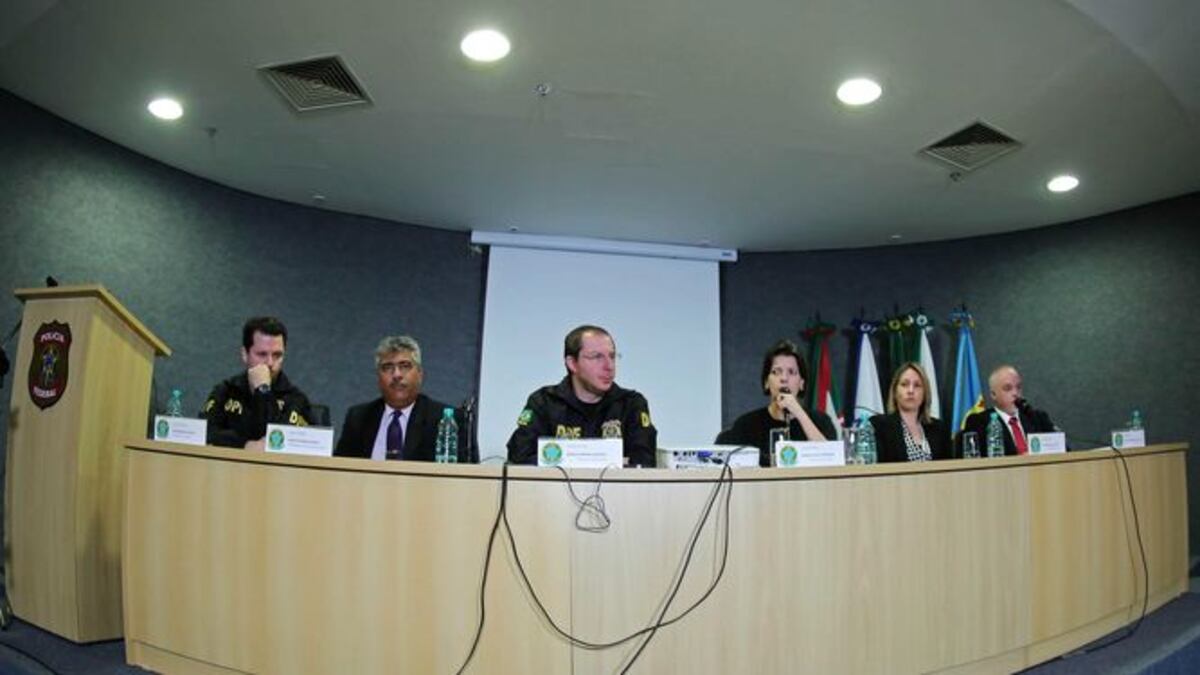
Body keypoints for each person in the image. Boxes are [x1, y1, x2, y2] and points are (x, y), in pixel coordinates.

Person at [507, 325, 657, 467]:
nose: (609, 366)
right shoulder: (544, 402)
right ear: (572, 363)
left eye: (612, 356)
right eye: (597, 357)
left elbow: (644, 462)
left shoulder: (631, 404)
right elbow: (520, 456)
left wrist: (560, 460)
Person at [334, 335, 463, 461]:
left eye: (405, 366)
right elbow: (339, 468)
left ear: (420, 374)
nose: (396, 375)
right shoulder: (359, 418)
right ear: (378, 377)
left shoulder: (443, 420)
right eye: (388, 367)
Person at [718, 339, 837, 466]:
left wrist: (798, 412)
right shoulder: (746, 425)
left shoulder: (821, 422)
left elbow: (831, 460)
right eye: (776, 372)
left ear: (802, 383)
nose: (784, 379)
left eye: (791, 372)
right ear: (766, 382)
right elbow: (721, 463)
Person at [200, 316, 313, 449]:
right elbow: (203, 434)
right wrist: (245, 444)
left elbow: (277, 442)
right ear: (245, 354)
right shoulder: (226, 391)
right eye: (262, 354)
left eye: (277, 355)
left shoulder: (295, 400)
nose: (270, 363)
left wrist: (262, 390)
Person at [958, 364, 1058, 456]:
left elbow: (1060, 448)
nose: (1015, 393)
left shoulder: (1037, 418)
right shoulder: (978, 422)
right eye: (1008, 388)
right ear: (993, 394)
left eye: (1018, 387)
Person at [868, 362, 952, 462]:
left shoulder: (939, 429)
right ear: (895, 391)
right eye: (904, 384)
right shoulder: (880, 426)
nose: (911, 390)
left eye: (917, 385)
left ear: (925, 393)